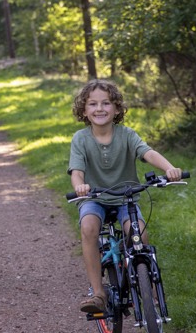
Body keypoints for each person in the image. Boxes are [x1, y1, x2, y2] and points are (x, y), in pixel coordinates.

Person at [67, 79, 182, 313]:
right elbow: (77, 172)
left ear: (117, 108)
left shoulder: (127, 135)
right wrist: (80, 187)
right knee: (89, 227)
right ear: (84, 110)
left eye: (106, 103)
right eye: (93, 104)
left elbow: (147, 153)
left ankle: (148, 286)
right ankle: (98, 293)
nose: (100, 108)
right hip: (94, 198)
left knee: (140, 231)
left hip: (125, 197)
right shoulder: (81, 138)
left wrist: (169, 169)